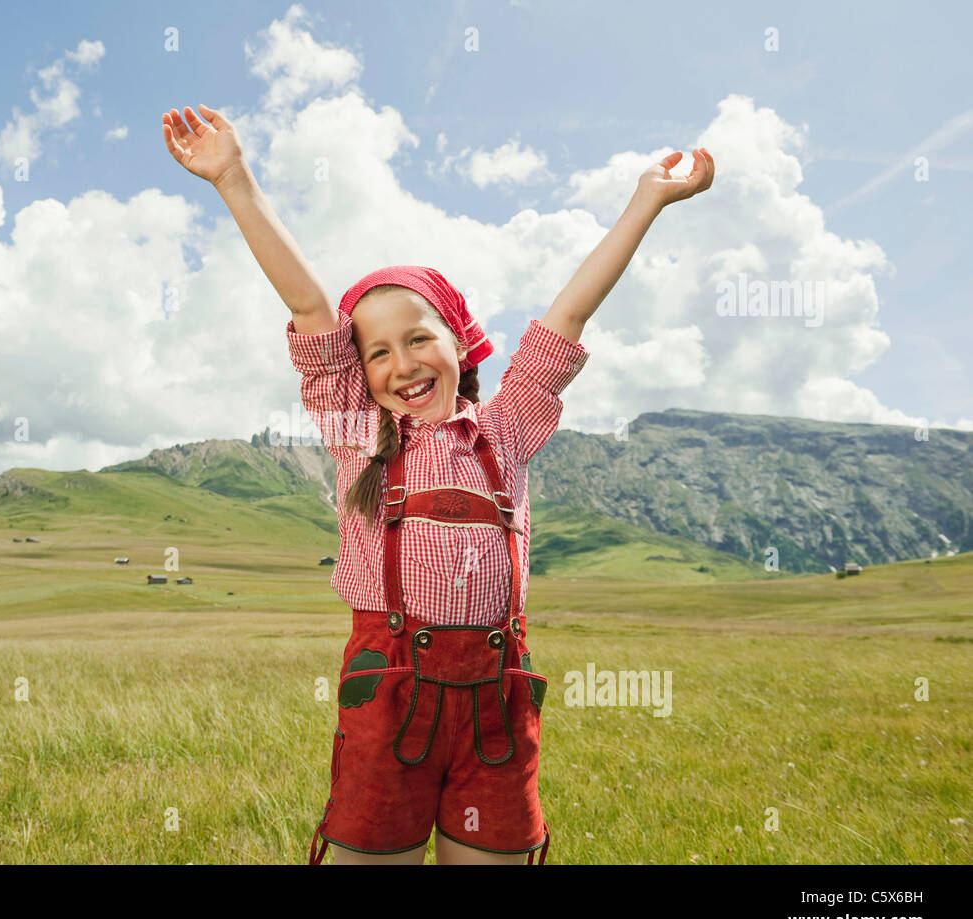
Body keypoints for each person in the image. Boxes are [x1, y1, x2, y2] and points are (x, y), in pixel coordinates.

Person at [162, 103, 714, 864]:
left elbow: (570, 313)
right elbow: (309, 308)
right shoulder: (358, 433)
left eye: (419, 337)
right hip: (388, 697)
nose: (402, 364)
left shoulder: (509, 426)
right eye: (378, 351)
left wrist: (645, 201)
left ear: (460, 339)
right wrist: (234, 179)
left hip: (497, 705)